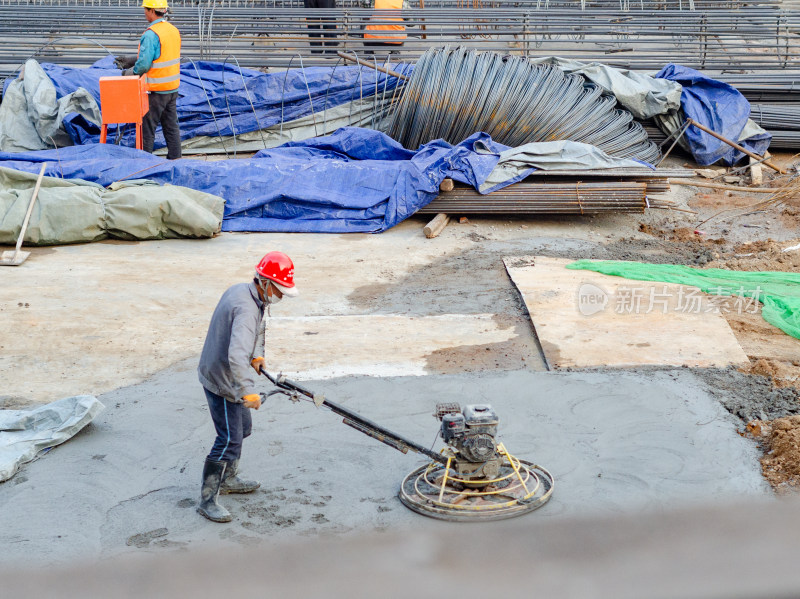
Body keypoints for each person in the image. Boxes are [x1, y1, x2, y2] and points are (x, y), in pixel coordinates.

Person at [195, 251, 298, 523]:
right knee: (228, 439)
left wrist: (258, 354)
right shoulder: (246, 308)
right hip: (224, 380)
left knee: (245, 429)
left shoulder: (248, 294)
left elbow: (255, 334)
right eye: (280, 289)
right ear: (265, 282)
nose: (282, 295)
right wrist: (248, 390)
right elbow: (236, 356)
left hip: (225, 372)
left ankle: (228, 478)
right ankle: (207, 500)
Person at [114, 0, 182, 159]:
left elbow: (144, 65)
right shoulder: (173, 30)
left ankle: (145, 164)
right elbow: (162, 56)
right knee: (171, 126)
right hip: (171, 89)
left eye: (145, 9)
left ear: (152, 11)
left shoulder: (151, 34)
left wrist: (130, 72)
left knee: (148, 130)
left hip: (156, 90)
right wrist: (133, 59)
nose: (144, 12)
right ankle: (176, 159)